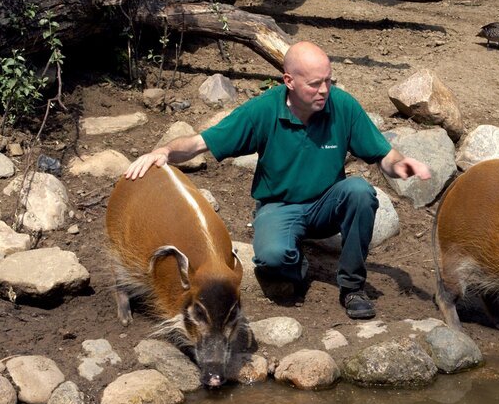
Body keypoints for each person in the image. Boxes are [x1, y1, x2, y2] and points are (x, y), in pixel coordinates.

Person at [124, 41, 431, 320]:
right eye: (314, 84)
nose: (324, 90)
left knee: (360, 191)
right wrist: (163, 151)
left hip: (327, 205)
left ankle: (352, 287)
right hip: (279, 206)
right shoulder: (263, 110)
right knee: (272, 258)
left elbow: (384, 155)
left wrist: (400, 163)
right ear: (289, 82)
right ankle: (298, 263)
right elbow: (198, 143)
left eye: (328, 80)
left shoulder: (343, 106)